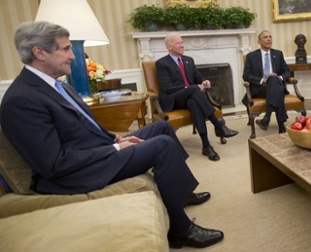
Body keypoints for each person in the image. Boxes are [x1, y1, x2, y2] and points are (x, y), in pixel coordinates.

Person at [0, 21, 223, 249]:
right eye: (65, 49)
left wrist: (116, 138)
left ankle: (180, 192)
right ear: (40, 52)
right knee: (162, 145)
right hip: (73, 175)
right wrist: (115, 149)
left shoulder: (59, 86)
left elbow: (86, 126)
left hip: (95, 152)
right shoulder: (21, 99)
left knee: (161, 128)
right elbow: (54, 164)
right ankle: (181, 230)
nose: (73, 57)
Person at [155, 32, 238, 161]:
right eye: (178, 43)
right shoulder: (162, 63)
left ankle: (206, 146)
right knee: (193, 89)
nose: (182, 45)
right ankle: (218, 125)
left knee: (194, 103)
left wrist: (205, 81)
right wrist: (190, 88)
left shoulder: (189, 60)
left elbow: (198, 76)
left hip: (190, 97)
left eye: (182, 42)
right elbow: (167, 88)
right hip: (173, 98)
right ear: (169, 46)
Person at [242, 30, 291, 134]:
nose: (269, 39)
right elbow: (246, 76)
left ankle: (266, 118)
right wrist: (262, 80)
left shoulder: (278, 54)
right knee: (276, 87)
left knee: (273, 79)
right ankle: (281, 124)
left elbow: (287, 71)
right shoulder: (251, 56)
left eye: (270, 37)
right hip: (260, 87)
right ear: (259, 41)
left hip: (275, 85)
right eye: (265, 37)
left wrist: (279, 78)